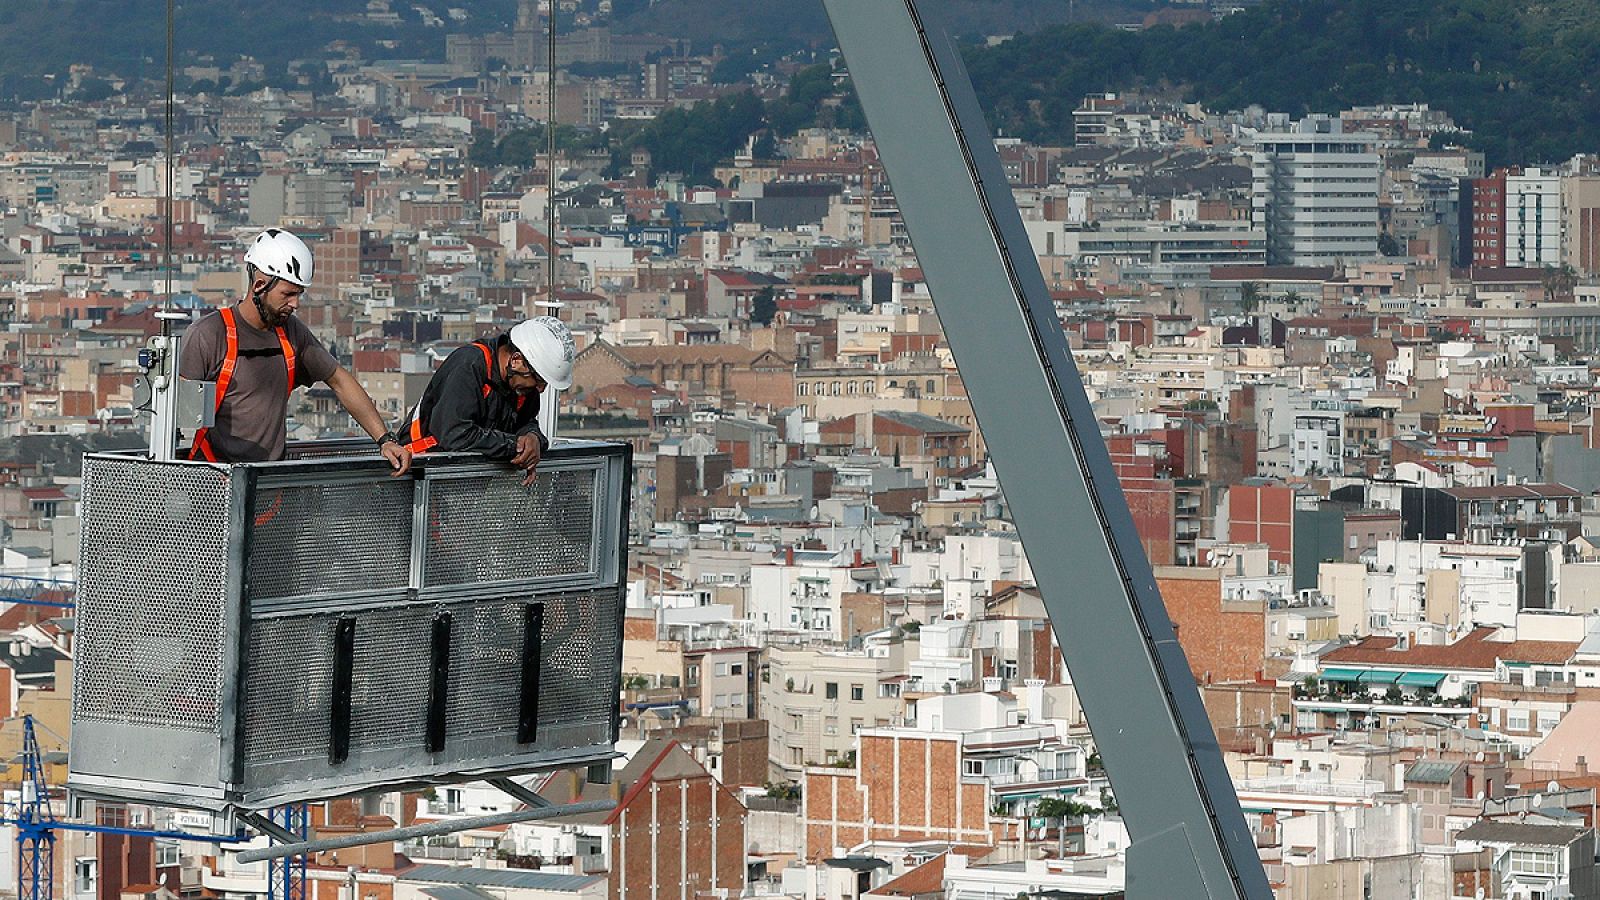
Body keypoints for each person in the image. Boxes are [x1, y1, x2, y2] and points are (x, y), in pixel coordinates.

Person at [180, 228, 412, 475]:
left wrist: (385, 439)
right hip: (212, 482)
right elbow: (177, 412)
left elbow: (339, 380)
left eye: (299, 294)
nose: (295, 304)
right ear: (260, 285)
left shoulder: (291, 334)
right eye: (288, 294)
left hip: (268, 484)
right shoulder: (209, 335)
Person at [400, 315, 574, 485]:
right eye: (539, 380)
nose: (540, 389)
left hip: (458, 481)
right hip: (418, 474)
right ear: (516, 360)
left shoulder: (522, 385)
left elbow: (525, 422)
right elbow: (455, 435)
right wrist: (516, 446)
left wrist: (533, 439)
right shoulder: (468, 366)